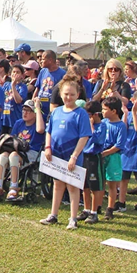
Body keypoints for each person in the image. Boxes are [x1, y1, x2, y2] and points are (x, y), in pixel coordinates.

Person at [37, 80, 92, 230]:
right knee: (57, 184)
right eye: (66, 94)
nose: (69, 97)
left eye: (72, 94)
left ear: (78, 95)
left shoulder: (81, 113)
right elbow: (49, 131)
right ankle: (53, 215)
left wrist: (74, 156)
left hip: (72, 154)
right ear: (61, 94)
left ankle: (73, 219)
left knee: (72, 186)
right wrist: (48, 147)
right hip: (56, 153)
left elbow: (84, 136)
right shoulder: (56, 111)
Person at [0, 100, 43, 201]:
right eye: (24, 110)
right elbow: (13, 140)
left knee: (13, 156)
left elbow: (40, 130)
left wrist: (37, 108)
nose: (25, 113)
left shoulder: (38, 124)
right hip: (18, 150)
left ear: (35, 113)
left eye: (29, 111)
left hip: (32, 152)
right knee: (4, 155)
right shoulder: (19, 123)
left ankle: (14, 187)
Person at [33, 50, 66, 119]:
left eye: (43, 59)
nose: (41, 61)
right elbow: (38, 88)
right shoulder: (43, 71)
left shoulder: (62, 74)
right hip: (40, 109)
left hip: (52, 110)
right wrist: (33, 100)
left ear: (50, 60)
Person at [1, 65, 28, 133]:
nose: (15, 74)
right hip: (4, 118)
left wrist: (13, 85)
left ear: (22, 75)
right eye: (14, 72)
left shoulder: (23, 87)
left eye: (18, 72)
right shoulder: (6, 85)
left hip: (15, 119)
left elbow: (18, 101)